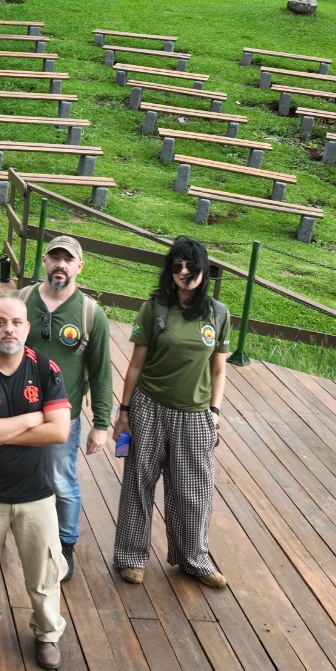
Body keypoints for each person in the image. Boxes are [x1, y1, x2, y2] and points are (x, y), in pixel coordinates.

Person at [0, 295, 71, 670]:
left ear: (27, 327)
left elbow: (60, 432)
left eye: (16, 322)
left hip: (36, 492)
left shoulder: (46, 370)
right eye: (0, 322)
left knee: (44, 571)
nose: (9, 329)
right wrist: (33, 418)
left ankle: (47, 633)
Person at [112, 237, 231, 590]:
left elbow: (219, 369)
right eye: (176, 266)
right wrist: (124, 410)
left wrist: (215, 410)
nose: (183, 272)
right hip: (149, 406)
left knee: (194, 489)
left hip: (195, 414)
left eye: (191, 266)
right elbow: (136, 365)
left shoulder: (218, 314)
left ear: (204, 270)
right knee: (138, 482)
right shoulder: (155, 309)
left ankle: (193, 558)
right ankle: (131, 558)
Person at [17, 236, 113, 584]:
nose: (60, 264)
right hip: (19, 410)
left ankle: (65, 541)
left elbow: (102, 371)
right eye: (54, 257)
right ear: (44, 261)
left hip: (63, 416)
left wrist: (101, 423)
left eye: (68, 259)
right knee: (15, 471)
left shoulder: (90, 314)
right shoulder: (21, 302)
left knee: (61, 479)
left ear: (79, 266)